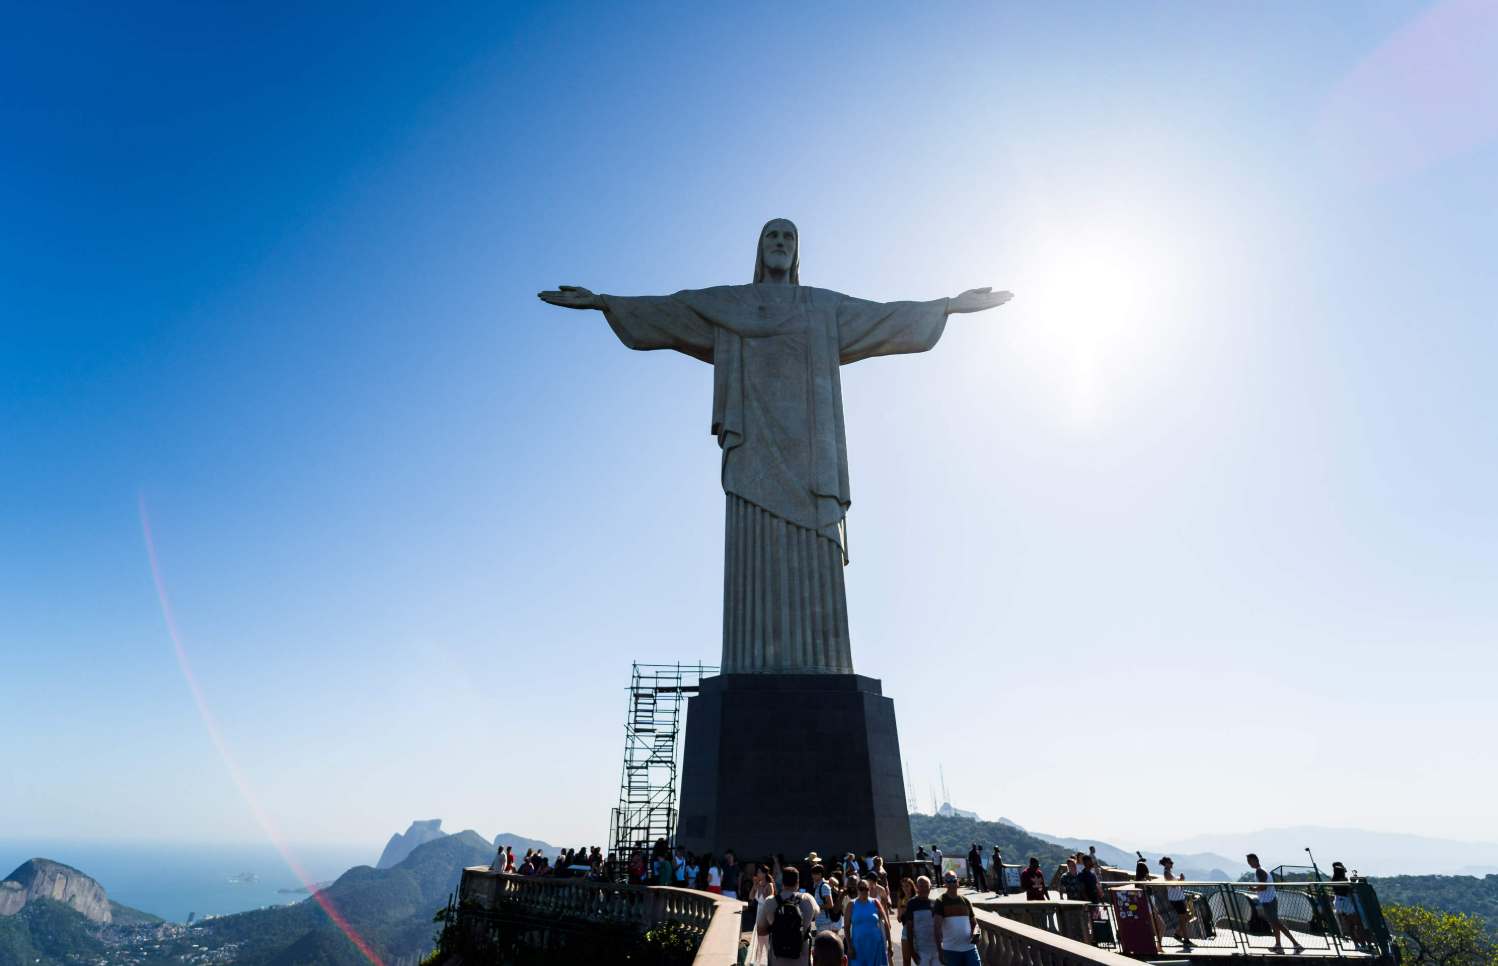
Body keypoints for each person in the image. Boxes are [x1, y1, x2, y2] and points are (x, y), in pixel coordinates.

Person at [756, 867, 818, 966]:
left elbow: (760, 930)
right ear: (797, 883)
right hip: (801, 960)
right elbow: (817, 913)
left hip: (777, 960)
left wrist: (776, 927)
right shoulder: (808, 899)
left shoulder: (770, 902)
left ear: (782, 882)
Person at [1247, 853, 1303, 954]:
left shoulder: (1259, 871)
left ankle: (1296, 944)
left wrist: (1253, 889)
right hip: (1271, 899)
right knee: (1273, 923)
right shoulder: (1263, 869)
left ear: (1255, 860)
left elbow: (1264, 887)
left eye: (1249, 861)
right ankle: (1278, 945)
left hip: (1267, 901)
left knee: (1277, 923)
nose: (1249, 863)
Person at [933, 872, 979, 966]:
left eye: (954, 881)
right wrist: (939, 951)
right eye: (949, 881)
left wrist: (976, 933)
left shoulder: (966, 901)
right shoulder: (940, 901)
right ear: (945, 882)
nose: (952, 884)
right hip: (950, 951)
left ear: (958, 882)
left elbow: (975, 924)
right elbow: (937, 928)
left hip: (970, 949)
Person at [844, 876, 893, 965]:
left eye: (866, 889)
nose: (864, 891)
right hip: (857, 947)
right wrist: (849, 947)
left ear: (869, 890)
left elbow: (886, 924)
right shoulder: (852, 904)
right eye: (861, 889)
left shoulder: (875, 902)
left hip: (875, 945)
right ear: (857, 890)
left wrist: (890, 944)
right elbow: (846, 927)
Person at [900, 876, 939, 966]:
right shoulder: (912, 903)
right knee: (906, 961)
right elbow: (909, 928)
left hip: (935, 950)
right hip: (921, 949)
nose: (924, 889)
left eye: (926, 886)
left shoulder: (935, 903)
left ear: (930, 887)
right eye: (921, 886)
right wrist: (912, 951)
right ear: (917, 886)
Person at [1159, 857, 1192, 946]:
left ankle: (1178, 934)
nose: (1172, 864)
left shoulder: (1170, 872)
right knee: (1182, 919)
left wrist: (1180, 879)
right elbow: (1173, 885)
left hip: (1178, 897)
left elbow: (1175, 882)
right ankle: (1185, 939)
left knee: (1186, 918)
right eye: (1170, 862)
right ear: (1165, 863)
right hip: (1175, 898)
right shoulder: (1166, 873)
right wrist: (1180, 880)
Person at [1330, 862, 1366, 944]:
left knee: (1348, 925)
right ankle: (1363, 944)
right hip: (1345, 902)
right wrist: (1354, 873)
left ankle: (1356, 944)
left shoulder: (1334, 880)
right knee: (1358, 924)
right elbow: (1352, 883)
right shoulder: (1344, 880)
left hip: (1337, 902)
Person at [811, 865, 841, 935]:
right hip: (821, 922)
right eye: (812, 874)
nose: (813, 876)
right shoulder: (818, 886)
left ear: (820, 874)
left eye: (815, 874)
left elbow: (830, 904)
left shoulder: (824, 886)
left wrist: (817, 908)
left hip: (825, 923)